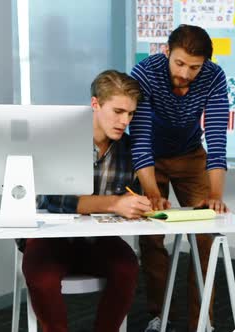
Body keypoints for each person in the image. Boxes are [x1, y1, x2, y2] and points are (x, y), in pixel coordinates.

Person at [20, 70, 152, 332]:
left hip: (98, 239)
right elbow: (55, 199)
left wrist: (139, 204)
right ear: (95, 104)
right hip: (50, 237)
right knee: (42, 277)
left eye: (131, 114)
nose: (125, 120)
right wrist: (115, 203)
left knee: (127, 267)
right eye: (118, 111)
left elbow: (132, 195)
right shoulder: (60, 138)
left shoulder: (128, 150)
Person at [130, 24, 230, 332]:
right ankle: (161, 316)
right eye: (180, 63)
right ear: (166, 52)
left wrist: (215, 195)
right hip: (152, 160)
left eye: (194, 67)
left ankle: (202, 323)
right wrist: (151, 192)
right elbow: (141, 139)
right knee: (151, 236)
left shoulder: (214, 76)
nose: (186, 73)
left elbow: (215, 138)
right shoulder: (145, 74)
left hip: (190, 155)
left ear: (206, 64)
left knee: (206, 234)